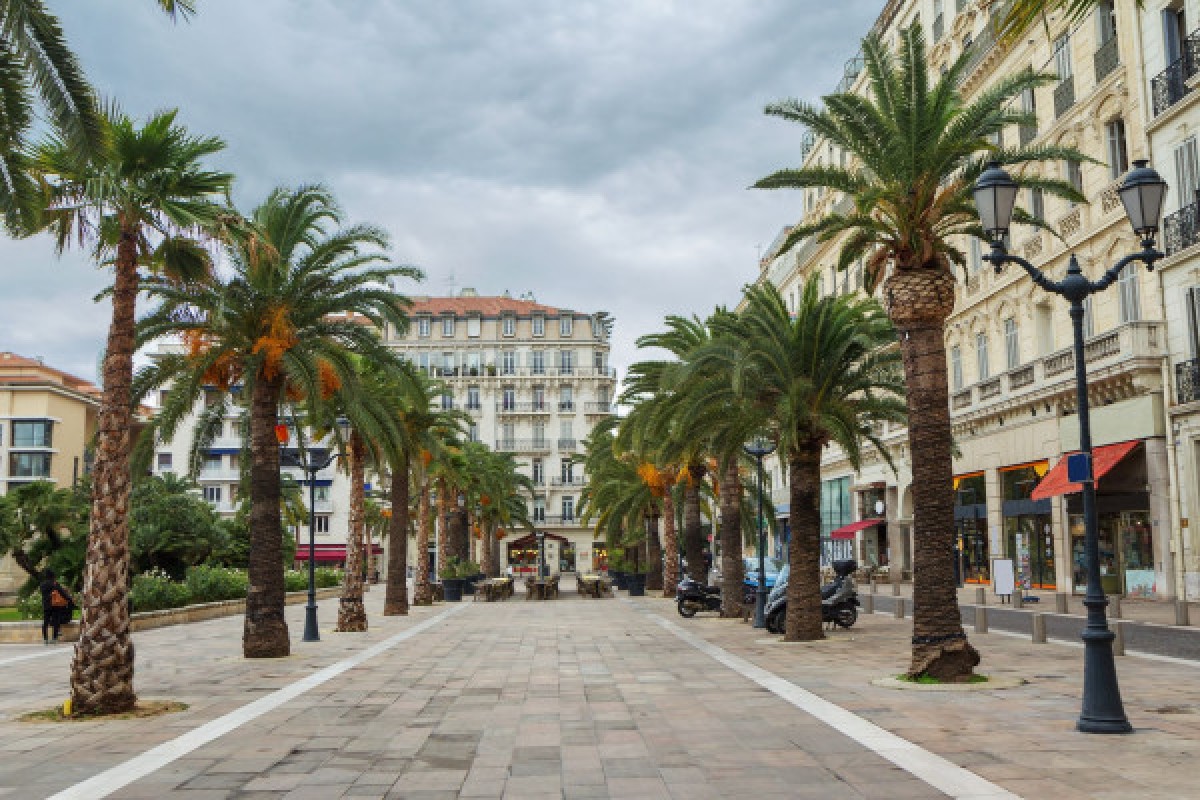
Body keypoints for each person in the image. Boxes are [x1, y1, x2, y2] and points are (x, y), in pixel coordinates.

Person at [39, 569, 74, 644]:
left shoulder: (42, 585)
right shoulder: (55, 584)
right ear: (53, 576)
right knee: (56, 621)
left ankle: (45, 639)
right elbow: (62, 593)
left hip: (46, 605)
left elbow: (43, 594)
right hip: (55, 605)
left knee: (45, 621)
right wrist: (69, 599)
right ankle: (54, 638)